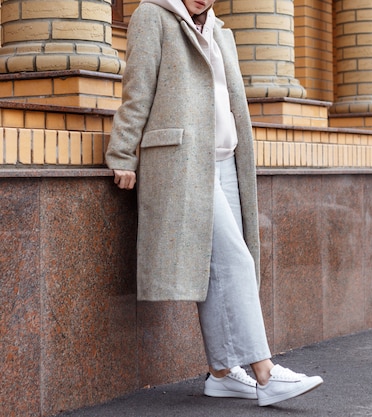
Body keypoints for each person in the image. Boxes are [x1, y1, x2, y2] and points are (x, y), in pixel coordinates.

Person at [105, 0, 323, 407]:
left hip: (226, 162)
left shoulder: (220, 30)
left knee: (219, 271)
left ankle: (222, 373)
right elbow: (138, 88)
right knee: (235, 261)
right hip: (184, 162)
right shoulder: (152, 16)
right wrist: (122, 153)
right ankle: (265, 373)